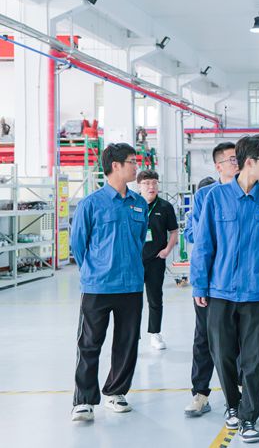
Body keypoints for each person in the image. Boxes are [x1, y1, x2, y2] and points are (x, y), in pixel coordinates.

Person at [191, 135, 259, 444]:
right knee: (222, 354)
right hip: (219, 291)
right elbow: (203, 245)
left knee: (253, 358)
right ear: (250, 162)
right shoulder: (216, 197)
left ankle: (248, 417)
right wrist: (199, 283)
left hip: (256, 292)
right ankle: (232, 404)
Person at [70, 143, 149, 422]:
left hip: (131, 285)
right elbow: (78, 245)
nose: (136, 166)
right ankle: (83, 401)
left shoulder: (139, 204)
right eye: (132, 161)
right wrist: (94, 270)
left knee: (127, 342)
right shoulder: (91, 204)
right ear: (115, 166)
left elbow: (140, 240)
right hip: (98, 286)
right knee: (90, 343)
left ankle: (116, 392)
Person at [183, 141, 239, 418]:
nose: (237, 163)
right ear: (218, 166)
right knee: (204, 337)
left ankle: (238, 394)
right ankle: (200, 393)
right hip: (211, 279)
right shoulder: (206, 195)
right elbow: (195, 235)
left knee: (239, 339)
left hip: (240, 282)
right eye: (231, 159)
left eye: (239, 158)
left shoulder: (253, 193)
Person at [136, 170, 178, 350]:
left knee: (155, 299)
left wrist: (167, 250)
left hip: (155, 260)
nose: (151, 187)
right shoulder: (132, 204)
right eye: (146, 183)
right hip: (135, 261)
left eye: (154, 183)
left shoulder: (165, 207)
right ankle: (133, 336)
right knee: (133, 301)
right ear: (139, 186)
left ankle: (155, 334)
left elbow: (174, 232)